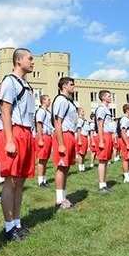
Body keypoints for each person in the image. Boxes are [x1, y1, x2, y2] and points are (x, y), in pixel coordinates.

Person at [0, 48, 36, 241]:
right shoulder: (10, 82)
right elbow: (6, 111)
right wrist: (10, 139)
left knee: (20, 181)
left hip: (27, 132)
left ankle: (17, 222)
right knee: (11, 181)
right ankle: (8, 226)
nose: (32, 62)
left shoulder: (26, 84)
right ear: (18, 60)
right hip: (16, 131)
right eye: (30, 59)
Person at [51, 77, 79, 209]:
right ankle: (59, 200)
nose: (74, 87)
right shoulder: (61, 100)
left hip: (70, 134)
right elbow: (58, 122)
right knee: (61, 167)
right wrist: (61, 144)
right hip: (64, 135)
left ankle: (63, 196)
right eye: (71, 85)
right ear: (64, 86)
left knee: (66, 167)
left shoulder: (69, 101)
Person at [93, 91, 115, 193]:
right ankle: (101, 185)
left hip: (108, 135)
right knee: (102, 161)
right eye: (108, 96)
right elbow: (100, 125)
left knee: (106, 161)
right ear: (103, 98)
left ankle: (104, 183)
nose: (110, 97)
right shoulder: (101, 109)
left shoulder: (107, 109)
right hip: (104, 136)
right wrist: (101, 140)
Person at [34, 95, 53, 187]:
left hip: (48, 136)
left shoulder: (48, 112)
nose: (50, 101)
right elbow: (39, 124)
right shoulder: (41, 111)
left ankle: (44, 179)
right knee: (41, 159)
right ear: (43, 101)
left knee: (45, 159)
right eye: (48, 100)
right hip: (43, 136)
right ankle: (40, 180)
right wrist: (40, 139)